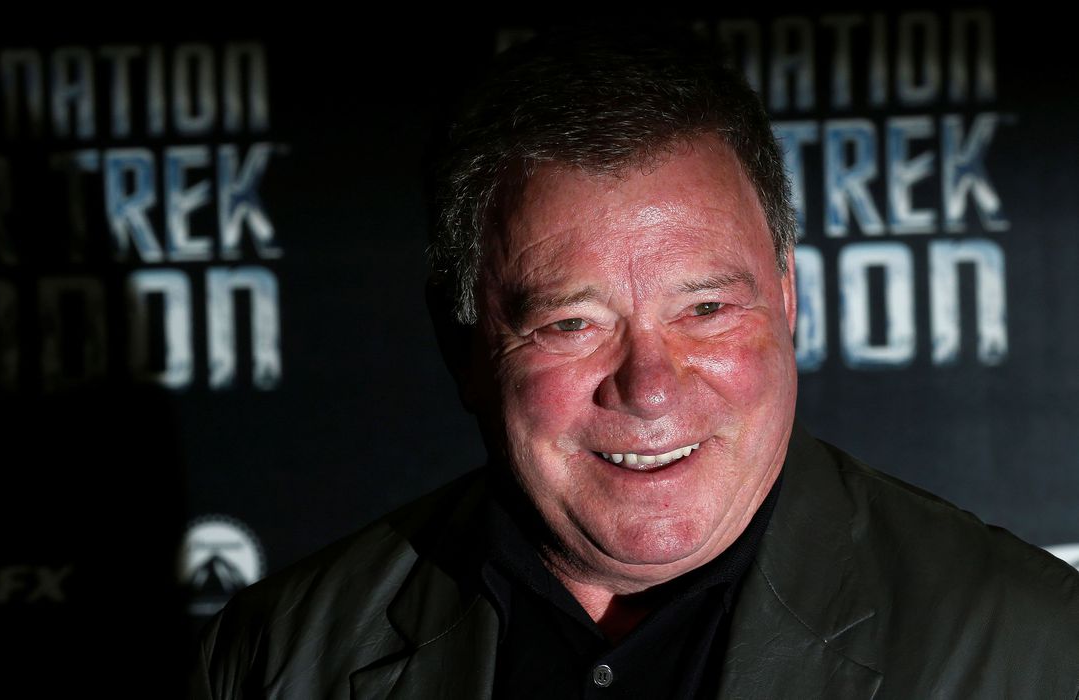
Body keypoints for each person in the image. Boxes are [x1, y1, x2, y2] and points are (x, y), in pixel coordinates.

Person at [192, 27, 1079, 698]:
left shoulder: (1032, 647)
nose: (649, 387)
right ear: (461, 343)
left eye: (706, 310)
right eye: (572, 323)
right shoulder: (278, 659)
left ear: (788, 300)